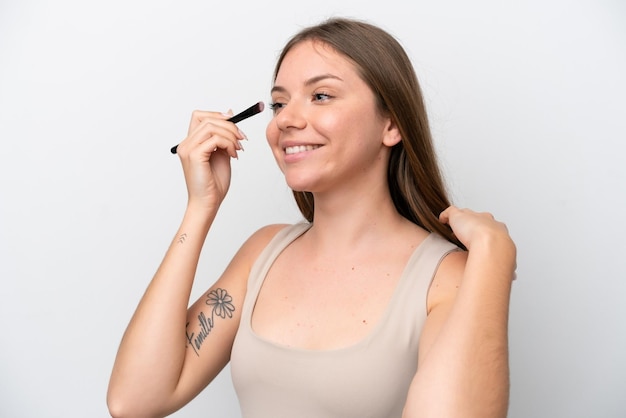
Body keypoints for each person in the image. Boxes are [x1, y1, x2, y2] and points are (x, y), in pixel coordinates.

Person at [107, 17, 516, 418]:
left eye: (321, 96)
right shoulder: (262, 254)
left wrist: (494, 258)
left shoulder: (448, 277)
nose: (285, 119)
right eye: (280, 103)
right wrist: (200, 207)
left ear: (391, 123)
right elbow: (134, 401)